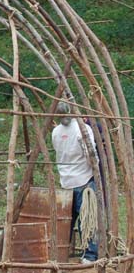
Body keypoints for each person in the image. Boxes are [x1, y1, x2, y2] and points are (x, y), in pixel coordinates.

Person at [52, 101, 98, 263]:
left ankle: (60, 254)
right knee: (87, 218)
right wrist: (96, 166)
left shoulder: (56, 132)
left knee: (66, 221)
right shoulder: (83, 129)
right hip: (84, 180)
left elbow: (58, 151)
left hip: (66, 181)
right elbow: (89, 153)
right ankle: (90, 255)